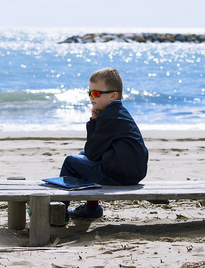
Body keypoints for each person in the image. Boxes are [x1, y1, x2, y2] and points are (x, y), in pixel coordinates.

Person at [60, 67, 148, 219]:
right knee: (81, 156)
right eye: (89, 93)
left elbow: (92, 153)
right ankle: (91, 208)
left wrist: (93, 121)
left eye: (95, 93)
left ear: (113, 96)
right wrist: (95, 121)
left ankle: (59, 212)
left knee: (70, 161)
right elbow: (93, 151)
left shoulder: (109, 117)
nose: (91, 97)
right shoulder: (119, 113)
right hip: (132, 173)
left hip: (119, 175)